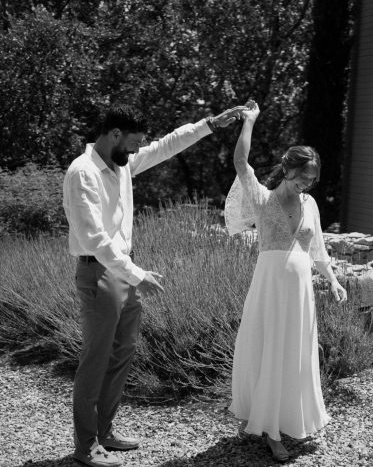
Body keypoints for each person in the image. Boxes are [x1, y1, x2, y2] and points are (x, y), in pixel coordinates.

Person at [63, 103, 245, 467]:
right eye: (132, 143)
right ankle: (86, 447)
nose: (135, 150)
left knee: (122, 354)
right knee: (96, 361)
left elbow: (166, 146)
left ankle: (106, 431)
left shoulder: (122, 163)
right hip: (99, 272)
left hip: (123, 270)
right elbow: (95, 238)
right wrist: (137, 275)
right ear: (114, 134)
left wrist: (210, 124)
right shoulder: (82, 173)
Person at [225, 101, 347, 462]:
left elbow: (319, 250)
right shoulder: (263, 198)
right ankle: (272, 431)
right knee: (271, 353)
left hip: (300, 294)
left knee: (295, 355)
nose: (306, 184)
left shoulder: (310, 204)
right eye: (301, 177)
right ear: (285, 169)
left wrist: (334, 280)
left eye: (311, 179)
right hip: (269, 290)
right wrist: (250, 121)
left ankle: (297, 419)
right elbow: (240, 163)